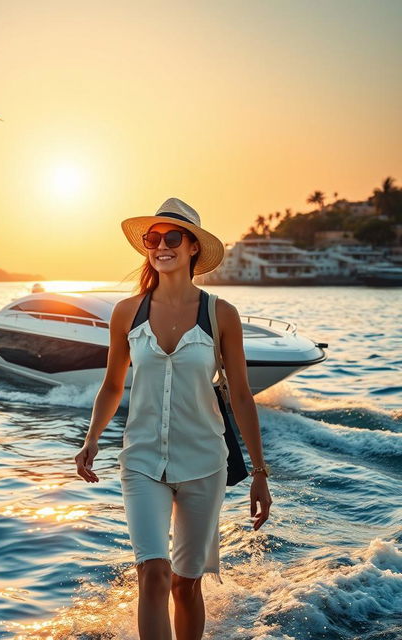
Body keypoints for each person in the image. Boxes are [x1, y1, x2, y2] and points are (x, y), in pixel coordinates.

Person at [74, 197, 272, 640]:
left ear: (193, 248)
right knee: (153, 575)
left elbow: (240, 394)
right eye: (153, 238)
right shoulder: (127, 312)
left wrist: (259, 472)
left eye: (172, 237)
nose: (161, 246)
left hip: (204, 463)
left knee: (186, 584)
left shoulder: (221, 314)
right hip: (142, 460)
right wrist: (92, 439)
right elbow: (111, 385)